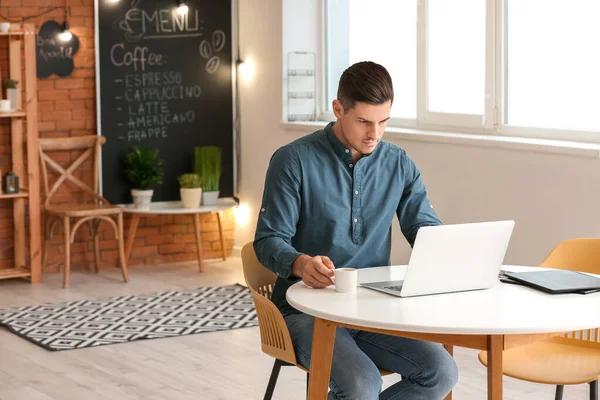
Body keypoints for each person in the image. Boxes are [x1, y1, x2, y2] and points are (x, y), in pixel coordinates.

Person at [253, 61, 458, 400]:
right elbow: (267, 240)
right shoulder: (293, 160)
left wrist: (452, 253)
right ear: (338, 109)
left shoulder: (398, 163)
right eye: (364, 121)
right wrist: (300, 263)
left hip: (373, 308)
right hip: (306, 310)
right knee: (361, 383)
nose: (374, 134)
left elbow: (424, 227)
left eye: (383, 122)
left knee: (441, 372)